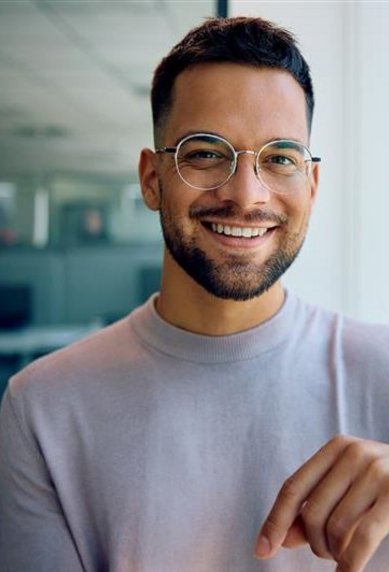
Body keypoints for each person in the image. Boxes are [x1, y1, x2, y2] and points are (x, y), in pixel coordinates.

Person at [0, 15, 389, 572]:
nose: (246, 195)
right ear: (152, 180)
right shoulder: (43, 408)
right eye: (205, 152)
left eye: (280, 158)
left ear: (311, 184)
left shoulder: (383, 373)